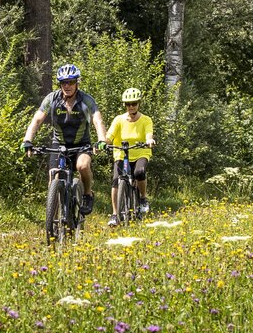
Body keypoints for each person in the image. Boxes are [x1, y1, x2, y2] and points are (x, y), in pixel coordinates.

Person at [21, 63, 108, 217]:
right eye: (64, 83)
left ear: (77, 83)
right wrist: (27, 140)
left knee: (82, 166)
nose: (67, 86)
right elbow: (36, 120)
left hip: (81, 145)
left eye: (71, 82)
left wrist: (101, 139)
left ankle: (87, 194)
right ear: (60, 84)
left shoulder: (86, 100)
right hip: (59, 144)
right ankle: (53, 223)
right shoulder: (51, 99)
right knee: (53, 177)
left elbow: (97, 120)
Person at [106, 87, 155, 226]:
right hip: (122, 154)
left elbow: (148, 134)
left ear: (139, 103)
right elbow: (109, 136)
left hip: (140, 152)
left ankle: (143, 198)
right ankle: (115, 214)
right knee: (116, 180)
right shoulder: (119, 120)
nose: (131, 107)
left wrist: (149, 140)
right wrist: (104, 143)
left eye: (134, 103)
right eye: (128, 104)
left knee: (139, 172)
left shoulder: (146, 120)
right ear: (125, 105)